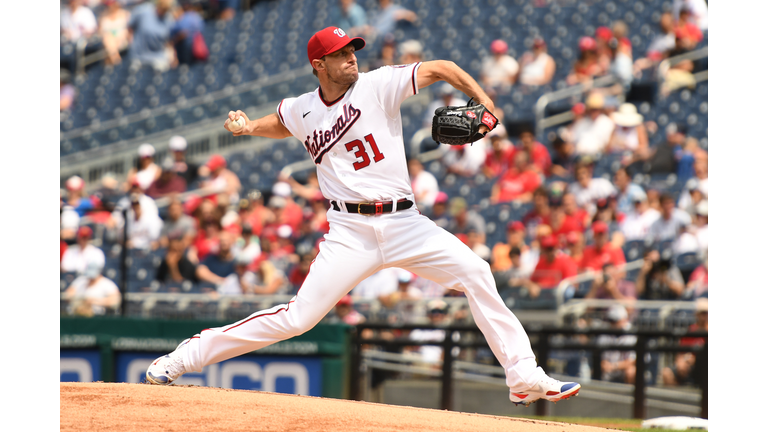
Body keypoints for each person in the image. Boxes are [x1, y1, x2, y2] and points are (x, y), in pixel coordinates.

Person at [146, 26, 580, 406]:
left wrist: (485, 103)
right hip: (349, 232)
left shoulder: (378, 85)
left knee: (476, 271)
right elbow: (283, 121)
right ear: (320, 65)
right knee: (298, 318)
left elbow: (442, 66)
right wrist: (248, 127)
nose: (351, 56)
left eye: (352, 49)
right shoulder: (304, 108)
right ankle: (186, 356)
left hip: (405, 224)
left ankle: (523, 377)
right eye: (340, 53)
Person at [127, 0, 176, 72]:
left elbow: (169, 41)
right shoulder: (142, 11)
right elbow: (130, 28)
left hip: (158, 56)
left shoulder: (169, 19)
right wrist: (131, 43)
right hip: (138, 55)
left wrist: (172, 55)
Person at [564, 92, 615, 156]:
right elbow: (572, 138)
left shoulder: (607, 123)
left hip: (597, 157)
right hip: (579, 156)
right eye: (592, 109)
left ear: (600, 109)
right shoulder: (582, 122)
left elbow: (607, 146)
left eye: (596, 109)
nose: (593, 112)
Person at [596, 304, 637, 384]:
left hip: (622, 371)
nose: (613, 323)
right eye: (611, 321)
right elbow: (601, 358)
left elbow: (633, 360)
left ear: (624, 320)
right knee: (596, 368)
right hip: (608, 372)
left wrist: (614, 366)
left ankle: (630, 396)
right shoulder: (605, 333)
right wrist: (605, 365)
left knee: (631, 371)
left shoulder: (632, 333)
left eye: (615, 321)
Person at [170, 0, 206, 65]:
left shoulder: (185, 17)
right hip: (196, 46)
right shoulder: (197, 16)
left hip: (187, 48)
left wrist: (174, 40)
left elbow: (184, 33)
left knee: (186, 66)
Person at [99, 0, 131, 65]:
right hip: (109, 43)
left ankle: (116, 63)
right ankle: (117, 62)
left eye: (112, 3)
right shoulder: (103, 16)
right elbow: (100, 33)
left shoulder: (125, 14)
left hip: (123, 40)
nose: (110, 6)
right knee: (108, 39)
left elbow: (129, 30)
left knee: (112, 39)